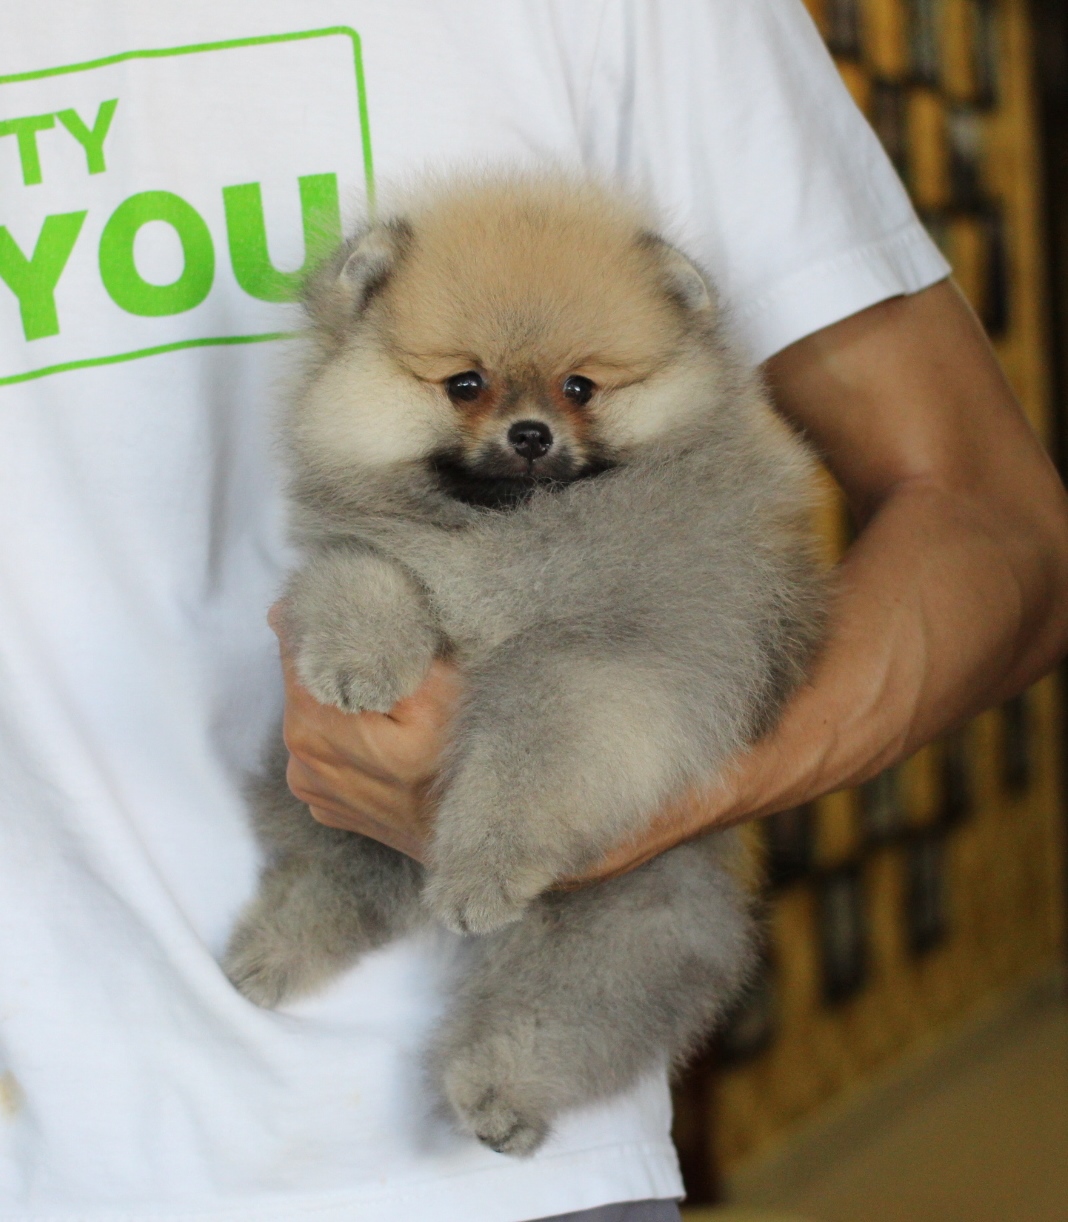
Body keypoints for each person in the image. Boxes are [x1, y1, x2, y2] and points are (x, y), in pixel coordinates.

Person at [1, 4, 1065, 1222]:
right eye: (466, 388)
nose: (523, 423)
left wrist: (618, 799)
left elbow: (1001, 525)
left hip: (493, 1181)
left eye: (577, 389)